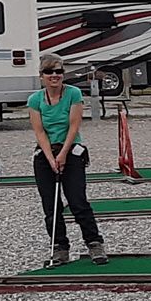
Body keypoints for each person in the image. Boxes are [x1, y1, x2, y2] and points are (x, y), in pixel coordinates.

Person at [28, 56, 106, 266]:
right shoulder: (35, 99)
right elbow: (39, 132)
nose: (55, 76)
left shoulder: (73, 93)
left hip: (71, 151)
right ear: (42, 76)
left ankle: (94, 243)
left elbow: (74, 127)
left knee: (77, 200)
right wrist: (50, 158)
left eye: (59, 72)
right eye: (49, 72)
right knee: (51, 205)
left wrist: (62, 155)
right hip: (45, 155)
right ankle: (59, 247)